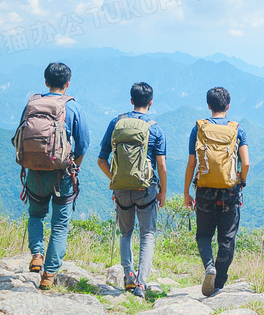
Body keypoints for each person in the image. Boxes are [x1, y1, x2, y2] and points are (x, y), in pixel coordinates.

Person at [16, 62, 90, 290]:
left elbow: (20, 135)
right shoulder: (73, 107)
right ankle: (48, 275)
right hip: (62, 176)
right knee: (59, 225)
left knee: (36, 215)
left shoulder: (32, 104)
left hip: (34, 173)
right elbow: (83, 144)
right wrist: (73, 166)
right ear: (67, 84)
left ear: (46, 82)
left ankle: (36, 255)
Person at [97, 82, 167, 299]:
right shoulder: (155, 128)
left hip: (122, 191)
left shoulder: (116, 123)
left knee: (125, 233)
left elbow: (101, 160)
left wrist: (116, 179)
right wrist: (163, 191)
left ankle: (128, 275)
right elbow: (161, 165)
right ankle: (141, 284)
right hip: (146, 189)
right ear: (151, 102)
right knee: (147, 234)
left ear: (131, 100)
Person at [184, 87, 249, 296]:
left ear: (208, 106)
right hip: (230, 191)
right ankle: (219, 282)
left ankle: (209, 266)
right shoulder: (237, 129)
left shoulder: (199, 128)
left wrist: (186, 191)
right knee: (227, 238)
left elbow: (191, 163)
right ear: (228, 106)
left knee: (203, 235)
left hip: (204, 190)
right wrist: (240, 180)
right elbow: (246, 163)